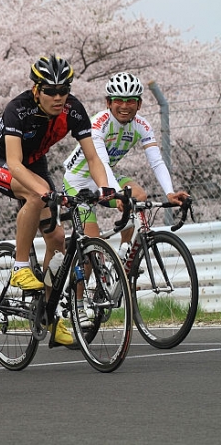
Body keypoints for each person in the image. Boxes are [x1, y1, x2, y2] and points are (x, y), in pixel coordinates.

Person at [0, 55, 112, 347]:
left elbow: (92, 157)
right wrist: (43, 192)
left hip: (36, 161)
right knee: (35, 192)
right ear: (36, 89)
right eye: (50, 90)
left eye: (63, 90)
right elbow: (15, 164)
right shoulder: (18, 108)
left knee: (57, 238)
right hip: (2, 160)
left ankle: (50, 317)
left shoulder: (73, 109)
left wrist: (105, 188)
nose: (57, 96)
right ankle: (19, 268)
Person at [63, 72, 189, 327]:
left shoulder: (141, 125)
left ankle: (122, 252)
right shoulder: (97, 124)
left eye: (131, 100)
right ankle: (76, 306)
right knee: (92, 245)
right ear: (108, 102)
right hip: (79, 182)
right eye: (118, 100)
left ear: (139, 104)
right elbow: (100, 162)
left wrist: (169, 192)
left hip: (107, 178)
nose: (125, 105)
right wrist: (113, 191)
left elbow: (155, 159)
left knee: (138, 196)